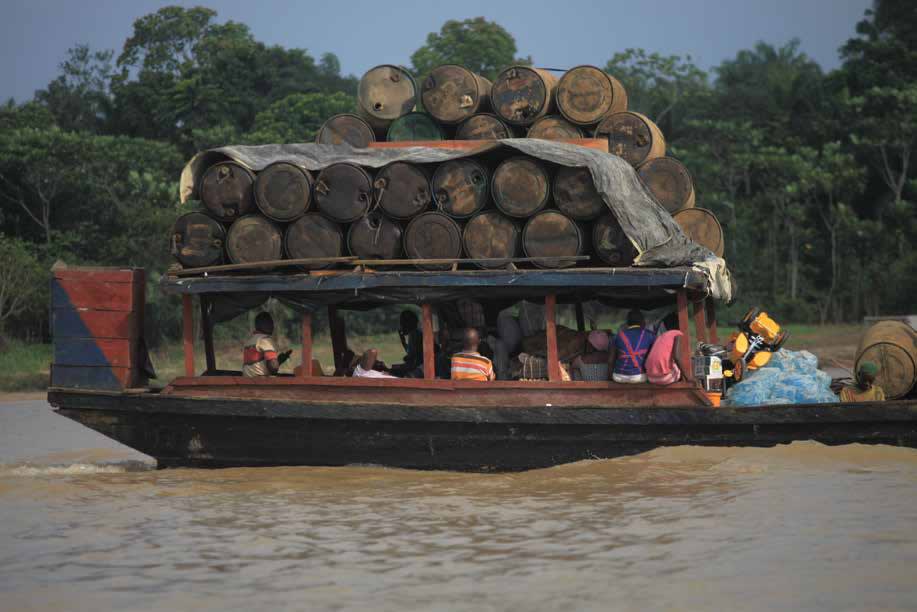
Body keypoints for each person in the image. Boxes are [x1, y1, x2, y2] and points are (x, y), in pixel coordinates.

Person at [609, 309, 656, 383]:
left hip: (619, 376)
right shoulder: (650, 335)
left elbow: (610, 360)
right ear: (643, 322)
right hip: (640, 376)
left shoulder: (617, 336)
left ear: (627, 323)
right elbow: (654, 358)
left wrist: (609, 379)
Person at [242, 312, 291, 377]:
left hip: (246, 380)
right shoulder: (265, 340)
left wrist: (278, 360)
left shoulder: (250, 341)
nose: (272, 326)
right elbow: (273, 367)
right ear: (262, 325)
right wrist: (278, 361)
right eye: (270, 323)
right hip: (261, 381)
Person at [391, 310, 423, 377]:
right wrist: (403, 341)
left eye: (402, 323)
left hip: (420, 368)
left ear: (408, 324)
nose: (401, 326)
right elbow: (411, 353)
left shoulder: (415, 334)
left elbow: (412, 357)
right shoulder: (415, 333)